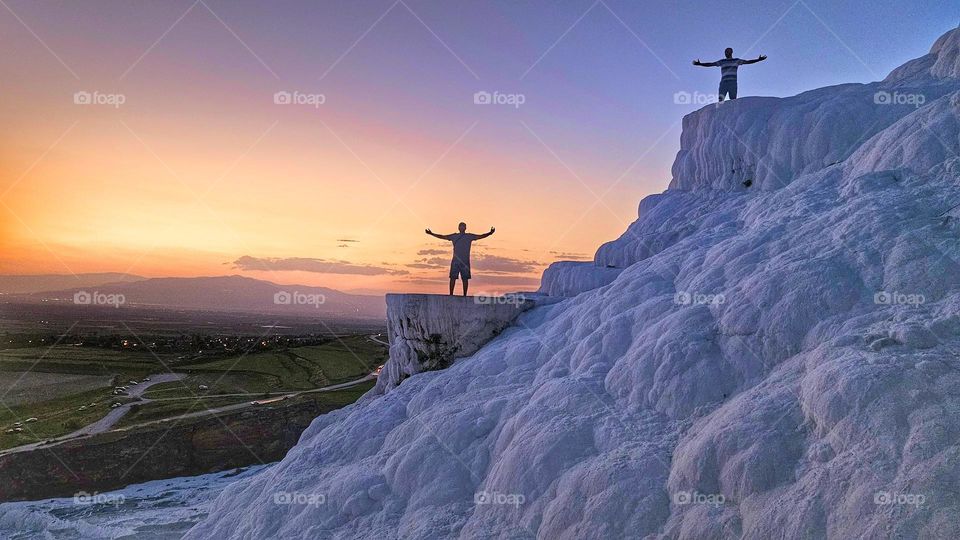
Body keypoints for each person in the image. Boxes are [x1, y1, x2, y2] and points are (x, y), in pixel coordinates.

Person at [425, 222, 495, 296]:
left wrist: (490, 233)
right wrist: (431, 233)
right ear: (458, 228)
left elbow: (480, 236)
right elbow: (442, 236)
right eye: (461, 226)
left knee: (465, 279)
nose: (462, 228)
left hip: (465, 261)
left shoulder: (469, 236)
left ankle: (465, 295)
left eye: (463, 226)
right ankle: (451, 294)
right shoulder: (454, 236)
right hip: (456, 261)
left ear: (465, 228)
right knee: (453, 278)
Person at [692, 48, 767, 102]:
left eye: (728, 51)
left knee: (733, 100)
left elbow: (748, 62)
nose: (726, 53)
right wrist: (700, 64)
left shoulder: (736, 61)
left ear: (731, 52)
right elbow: (711, 64)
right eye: (725, 52)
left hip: (733, 83)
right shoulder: (722, 61)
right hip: (724, 83)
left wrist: (758, 60)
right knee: (721, 100)